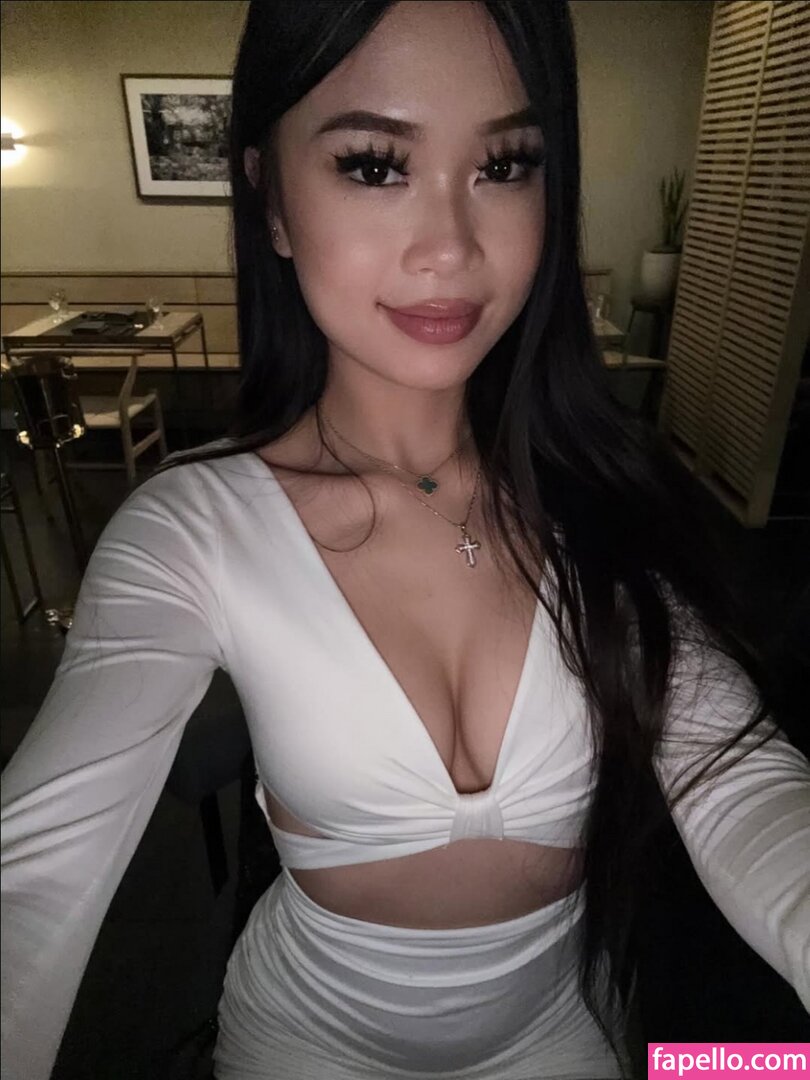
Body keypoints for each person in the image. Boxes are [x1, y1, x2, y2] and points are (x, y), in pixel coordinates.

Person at [2, 2, 809, 1078]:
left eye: (505, 166)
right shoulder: (192, 531)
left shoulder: (600, 493)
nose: (451, 248)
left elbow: (741, 783)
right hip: (304, 1043)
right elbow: (35, 872)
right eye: (375, 166)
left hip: (559, 1036)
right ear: (271, 200)